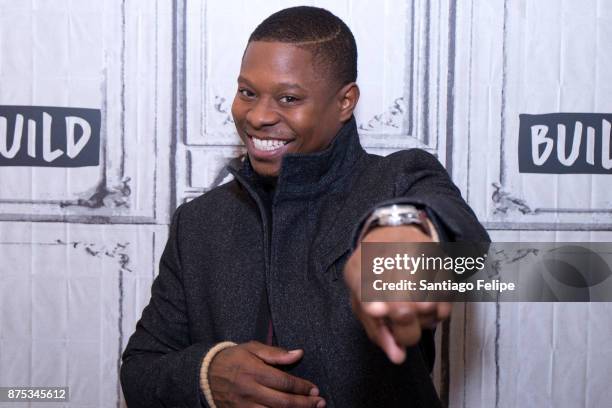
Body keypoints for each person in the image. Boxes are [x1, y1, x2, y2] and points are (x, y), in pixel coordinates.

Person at [120, 6, 489, 408]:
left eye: (289, 98)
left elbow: (456, 232)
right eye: (247, 92)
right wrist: (208, 374)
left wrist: (408, 231)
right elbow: (141, 369)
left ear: (345, 101)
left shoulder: (396, 180)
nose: (258, 116)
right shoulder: (200, 222)